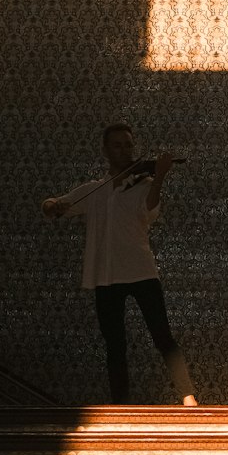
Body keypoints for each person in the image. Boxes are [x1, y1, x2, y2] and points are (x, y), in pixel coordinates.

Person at [42, 123, 198, 406]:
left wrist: (160, 176)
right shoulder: (94, 190)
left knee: (162, 335)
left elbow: (149, 211)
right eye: (118, 145)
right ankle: (121, 405)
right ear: (106, 151)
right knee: (115, 345)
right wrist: (52, 204)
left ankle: (187, 394)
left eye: (128, 144)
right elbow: (54, 204)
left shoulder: (144, 185)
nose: (125, 150)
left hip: (140, 270)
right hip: (106, 274)